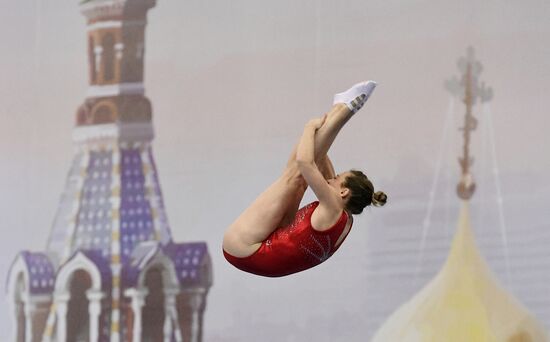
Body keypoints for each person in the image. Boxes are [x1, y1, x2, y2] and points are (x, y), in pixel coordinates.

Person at [222, 81, 387, 277]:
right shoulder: (342, 216)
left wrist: (309, 127)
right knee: (299, 183)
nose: (331, 179)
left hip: (244, 248)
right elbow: (317, 161)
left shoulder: (333, 208)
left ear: (344, 191)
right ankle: (341, 107)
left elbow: (305, 162)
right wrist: (321, 132)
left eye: (337, 178)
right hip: (270, 244)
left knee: (293, 179)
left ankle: (345, 110)